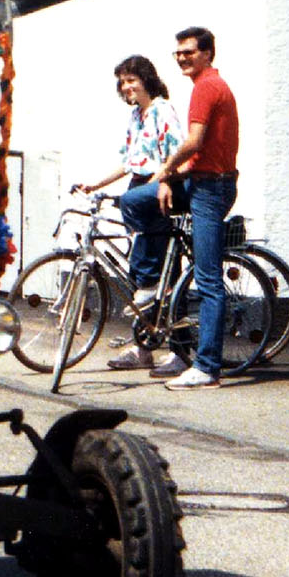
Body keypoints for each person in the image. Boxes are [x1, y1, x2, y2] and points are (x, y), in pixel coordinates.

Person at [120, 27, 241, 389]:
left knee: (208, 281)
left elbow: (194, 142)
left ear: (207, 54)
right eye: (178, 53)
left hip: (211, 188)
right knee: (133, 200)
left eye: (189, 52)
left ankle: (207, 368)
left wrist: (166, 172)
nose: (183, 58)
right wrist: (170, 181)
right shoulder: (203, 86)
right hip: (198, 181)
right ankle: (151, 281)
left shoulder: (207, 87)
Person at [80, 55, 185, 370]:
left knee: (161, 275)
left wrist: (155, 184)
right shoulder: (136, 117)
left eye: (131, 80)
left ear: (146, 80)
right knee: (142, 275)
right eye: (122, 82)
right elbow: (128, 162)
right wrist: (96, 183)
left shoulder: (162, 110)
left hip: (162, 186)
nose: (126, 87)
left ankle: (181, 354)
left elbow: (175, 153)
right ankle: (143, 350)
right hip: (141, 188)